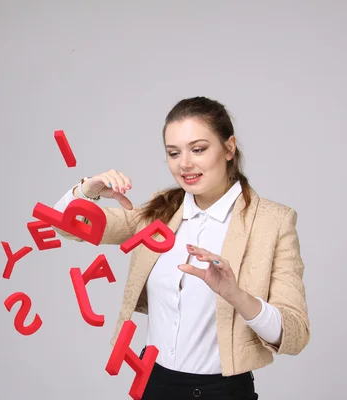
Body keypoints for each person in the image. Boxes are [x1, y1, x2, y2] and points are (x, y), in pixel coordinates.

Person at [51, 96, 310, 399]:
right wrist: (87, 188)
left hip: (223, 390)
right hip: (154, 384)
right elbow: (64, 225)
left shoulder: (273, 221)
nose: (185, 164)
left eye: (198, 149)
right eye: (174, 153)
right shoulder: (158, 212)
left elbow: (294, 334)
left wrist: (236, 295)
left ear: (229, 148)